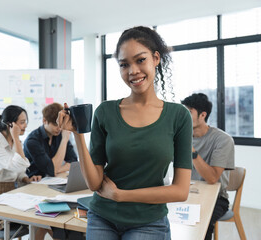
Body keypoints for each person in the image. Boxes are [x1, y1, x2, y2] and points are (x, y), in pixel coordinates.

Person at [57, 26, 193, 240]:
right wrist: (77, 134)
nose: (133, 71)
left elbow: (180, 191)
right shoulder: (106, 111)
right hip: (102, 215)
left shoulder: (179, 116)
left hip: (148, 221)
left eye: (140, 60)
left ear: (155, 58)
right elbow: (94, 183)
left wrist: (122, 196)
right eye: (124, 65)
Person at [181, 93, 235, 240]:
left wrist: (190, 150)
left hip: (216, 198)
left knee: (201, 225)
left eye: (189, 112)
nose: (183, 116)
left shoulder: (222, 140)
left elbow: (212, 178)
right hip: (186, 193)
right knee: (160, 216)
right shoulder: (181, 136)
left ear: (202, 115)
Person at [0, 105, 41, 229]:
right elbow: (17, 166)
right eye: (22, 122)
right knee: (39, 219)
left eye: (25, 122)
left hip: (10, 194)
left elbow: (19, 170)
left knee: (42, 216)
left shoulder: (13, 142)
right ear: (10, 125)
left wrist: (26, 179)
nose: (25, 126)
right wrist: (17, 138)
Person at [24, 102, 77, 178]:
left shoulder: (59, 134)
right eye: (56, 125)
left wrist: (58, 169)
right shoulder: (32, 141)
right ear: (44, 121)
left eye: (61, 124)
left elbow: (74, 162)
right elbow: (52, 170)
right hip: (35, 182)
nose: (59, 128)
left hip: (53, 179)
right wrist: (64, 140)